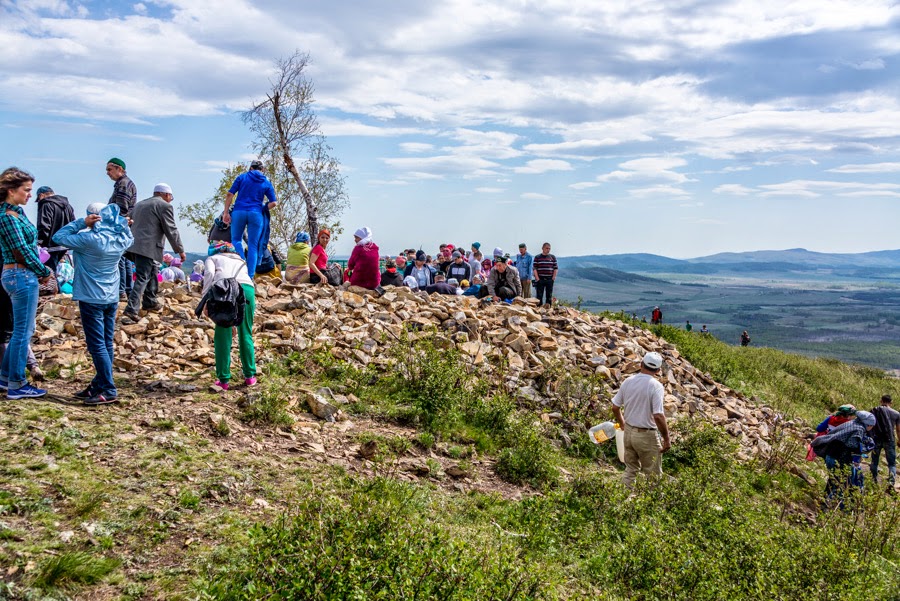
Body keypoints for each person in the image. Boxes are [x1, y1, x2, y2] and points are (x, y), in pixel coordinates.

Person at [52, 203, 134, 405]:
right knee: (106, 343)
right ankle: (98, 384)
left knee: (96, 345)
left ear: (93, 217)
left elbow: (58, 237)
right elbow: (129, 237)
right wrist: (122, 225)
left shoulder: (88, 239)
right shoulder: (120, 239)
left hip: (91, 297)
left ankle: (108, 387)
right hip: (111, 297)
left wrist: (82, 222)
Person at [0, 167, 52, 399]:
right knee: (23, 331)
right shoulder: (7, 216)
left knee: (20, 331)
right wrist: (43, 270)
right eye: (26, 190)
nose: (30, 195)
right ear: (12, 191)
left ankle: (5, 378)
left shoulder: (15, 213)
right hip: (20, 274)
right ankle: (17, 384)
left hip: (17, 274)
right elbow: (21, 249)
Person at [123, 183, 185, 322]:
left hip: (133, 246)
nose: (170, 200)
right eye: (170, 197)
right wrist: (180, 250)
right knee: (143, 276)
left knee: (152, 272)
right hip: (148, 247)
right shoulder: (164, 206)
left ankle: (150, 301)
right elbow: (171, 229)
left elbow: (129, 221)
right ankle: (131, 309)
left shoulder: (140, 205)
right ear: (166, 195)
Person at [611, 352, 671, 488]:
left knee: (630, 469)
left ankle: (622, 501)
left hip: (629, 432)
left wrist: (622, 424)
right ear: (658, 370)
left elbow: (615, 407)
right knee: (653, 475)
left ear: (641, 364)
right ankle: (651, 507)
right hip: (646, 435)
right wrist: (666, 438)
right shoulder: (655, 386)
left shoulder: (628, 381)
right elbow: (658, 415)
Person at [202, 241, 256, 390]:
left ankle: (224, 380)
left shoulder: (213, 259)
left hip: (224, 290)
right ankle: (250, 376)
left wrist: (205, 298)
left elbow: (210, 274)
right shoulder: (241, 261)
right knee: (245, 332)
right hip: (247, 289)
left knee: (223, 333)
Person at [222, 160, 277, 278]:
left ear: (251, 168)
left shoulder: (242, 177)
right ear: (262, 170)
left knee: (236, 240)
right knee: (253, 245)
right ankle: (250, 276)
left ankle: (242, 262)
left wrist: (226, 212)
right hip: (256, 214)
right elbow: (274, 203)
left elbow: (229, 195)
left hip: (239, 212)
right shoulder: (265, 181)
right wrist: (263, 207)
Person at [812, 411, 877, 507]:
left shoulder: (851, 423)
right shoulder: (859, 429)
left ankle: (823, 500)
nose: (871, 428)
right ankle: (828, 507)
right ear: (867, 424)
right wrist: (862, 449)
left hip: (830, 455)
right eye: (871, 426)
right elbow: (852, 444)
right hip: (839, 459)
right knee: (841, 484)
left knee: (833, 480)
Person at [105, 158, 137, 301]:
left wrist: (115, 225)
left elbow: (121, 208)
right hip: (125, 225)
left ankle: (121, 291)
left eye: (109, 169)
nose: (107, 173)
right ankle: (128, 289)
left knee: (120, 259)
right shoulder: (124, 183)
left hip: (120, 225)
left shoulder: (123, 184)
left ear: (119, 169)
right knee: (125, 260)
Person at [35, 185, 75, 273]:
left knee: (49, 274)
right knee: (53, 273)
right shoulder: (68, 206)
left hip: (50, 246)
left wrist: (39, 243)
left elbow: (44, 225)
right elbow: (73, 224)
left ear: (41, 195)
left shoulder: (46, 204)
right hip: (64, 245)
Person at [870, 394, 900, 487]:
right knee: (892, 463)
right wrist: (899, 440)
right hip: (889, 439)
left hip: (876, 439)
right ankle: (891, 482)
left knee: (874, 461)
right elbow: (898, 429)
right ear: (891, 402)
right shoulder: (896, 413)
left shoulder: (874, 411)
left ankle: (873, 480)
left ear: (881, 401)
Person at [532, 242, 558, 307]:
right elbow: (534, 268)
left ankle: (548, 309)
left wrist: (553, 278)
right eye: (547, 248)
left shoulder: (552, 257)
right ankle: (538, 309)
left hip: (549, 279)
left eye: (549, 248)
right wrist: (537, 279)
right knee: (539, 296)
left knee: (549, 295)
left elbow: (555, 268)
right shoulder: (537, 257)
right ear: (542, 248)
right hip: (540, 279)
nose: (548, 250)